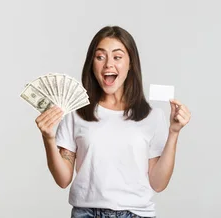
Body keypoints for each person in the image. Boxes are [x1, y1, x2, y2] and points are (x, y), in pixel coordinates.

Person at [34, 26, 191, 218]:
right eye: (100, 57)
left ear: (131, 63)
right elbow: (63, 179)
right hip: (86, 214)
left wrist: (174, 132)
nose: (108, 64)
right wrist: (48, 138)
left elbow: (158, 184)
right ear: (92, 63)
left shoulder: (152, 116)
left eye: (117, 57)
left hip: (136, 214)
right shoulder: (76, 114)